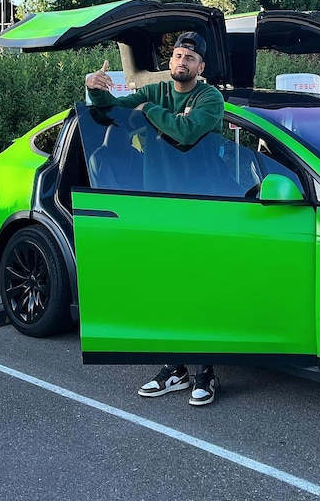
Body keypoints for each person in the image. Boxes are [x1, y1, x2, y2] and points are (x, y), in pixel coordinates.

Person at [85, 31, 223, 406]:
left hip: (201, 208)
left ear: (201, 66)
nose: (181, 62)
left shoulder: (210, 98)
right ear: (170, 61)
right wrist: (95, 89)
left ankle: (206, 373)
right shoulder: (154, 92)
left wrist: (151, 114)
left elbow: (188, 131)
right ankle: (175, 368)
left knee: (198, 291)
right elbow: (111, 113)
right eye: (177, 56)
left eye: (189, 58)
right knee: (165, 291)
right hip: (156, 207)